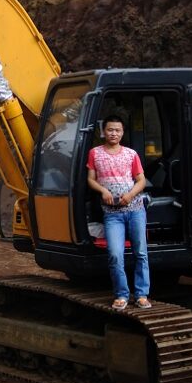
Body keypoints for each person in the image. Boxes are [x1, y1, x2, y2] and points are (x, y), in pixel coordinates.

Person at [86, 114, 152, 310]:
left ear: (122, 133)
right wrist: (103, 191)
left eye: (117, 130)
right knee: (115, 254)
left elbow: (141, 180)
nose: (113, 133)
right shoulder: (95, 153)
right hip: (112, 214)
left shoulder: (131, 154)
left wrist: (130, 195)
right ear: (103, 132)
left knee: (140, 253)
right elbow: (91, 179)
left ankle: (141, 295)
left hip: (136, 210)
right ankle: (122, 295)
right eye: (110, 130)